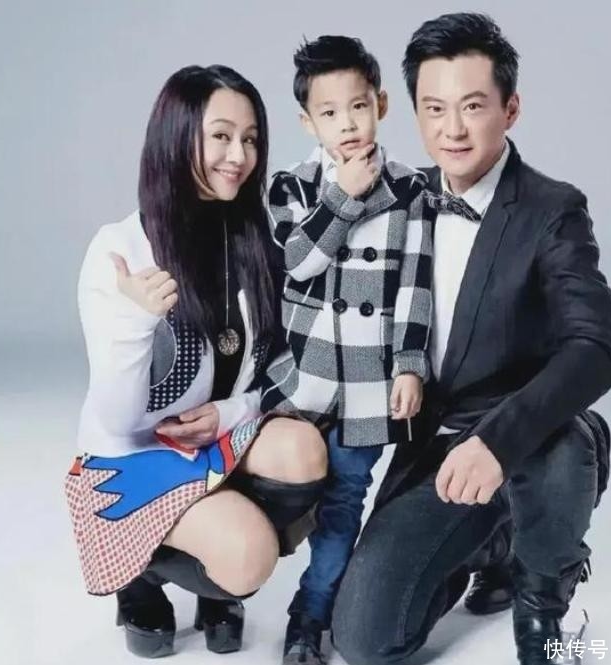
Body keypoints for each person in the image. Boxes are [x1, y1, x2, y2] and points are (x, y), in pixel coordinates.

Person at [331, 13, 611, 665]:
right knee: (364, 641)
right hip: (431, 444)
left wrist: (498, 440)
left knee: (561, 440)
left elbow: (595, 346)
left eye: (472, 106)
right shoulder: (395, 199)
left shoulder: (552, 209)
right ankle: (495, 540)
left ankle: (542, 597)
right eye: (433, 109)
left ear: (509, 109)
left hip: (523, 434)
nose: (452, 129)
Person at [64, 64, 328, 659]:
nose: (240, 156)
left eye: (251, 139)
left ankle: (211, 569)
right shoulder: (121, 250)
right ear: (177, 137)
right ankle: (140, 574)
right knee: (249, 554)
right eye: (221, 136)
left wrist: (231, 412)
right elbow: (116, 419)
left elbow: (283, 369)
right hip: (133, 458)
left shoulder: (255, 239)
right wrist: (135, 323)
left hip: (215, 441)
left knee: (304, 450)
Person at [260, 36, 432, 665]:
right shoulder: (292, 186)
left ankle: (309, 615)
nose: (347, 124)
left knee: (341, 506)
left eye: (358, 107)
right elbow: (298, 262)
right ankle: (223, 587)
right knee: (272, 493)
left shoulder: (411, 189)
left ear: (381, 104)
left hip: (365, 388)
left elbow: (416, 287)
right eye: (329, 113)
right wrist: (345, 195)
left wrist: (409, 366)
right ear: (308, 122)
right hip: (300, 386)